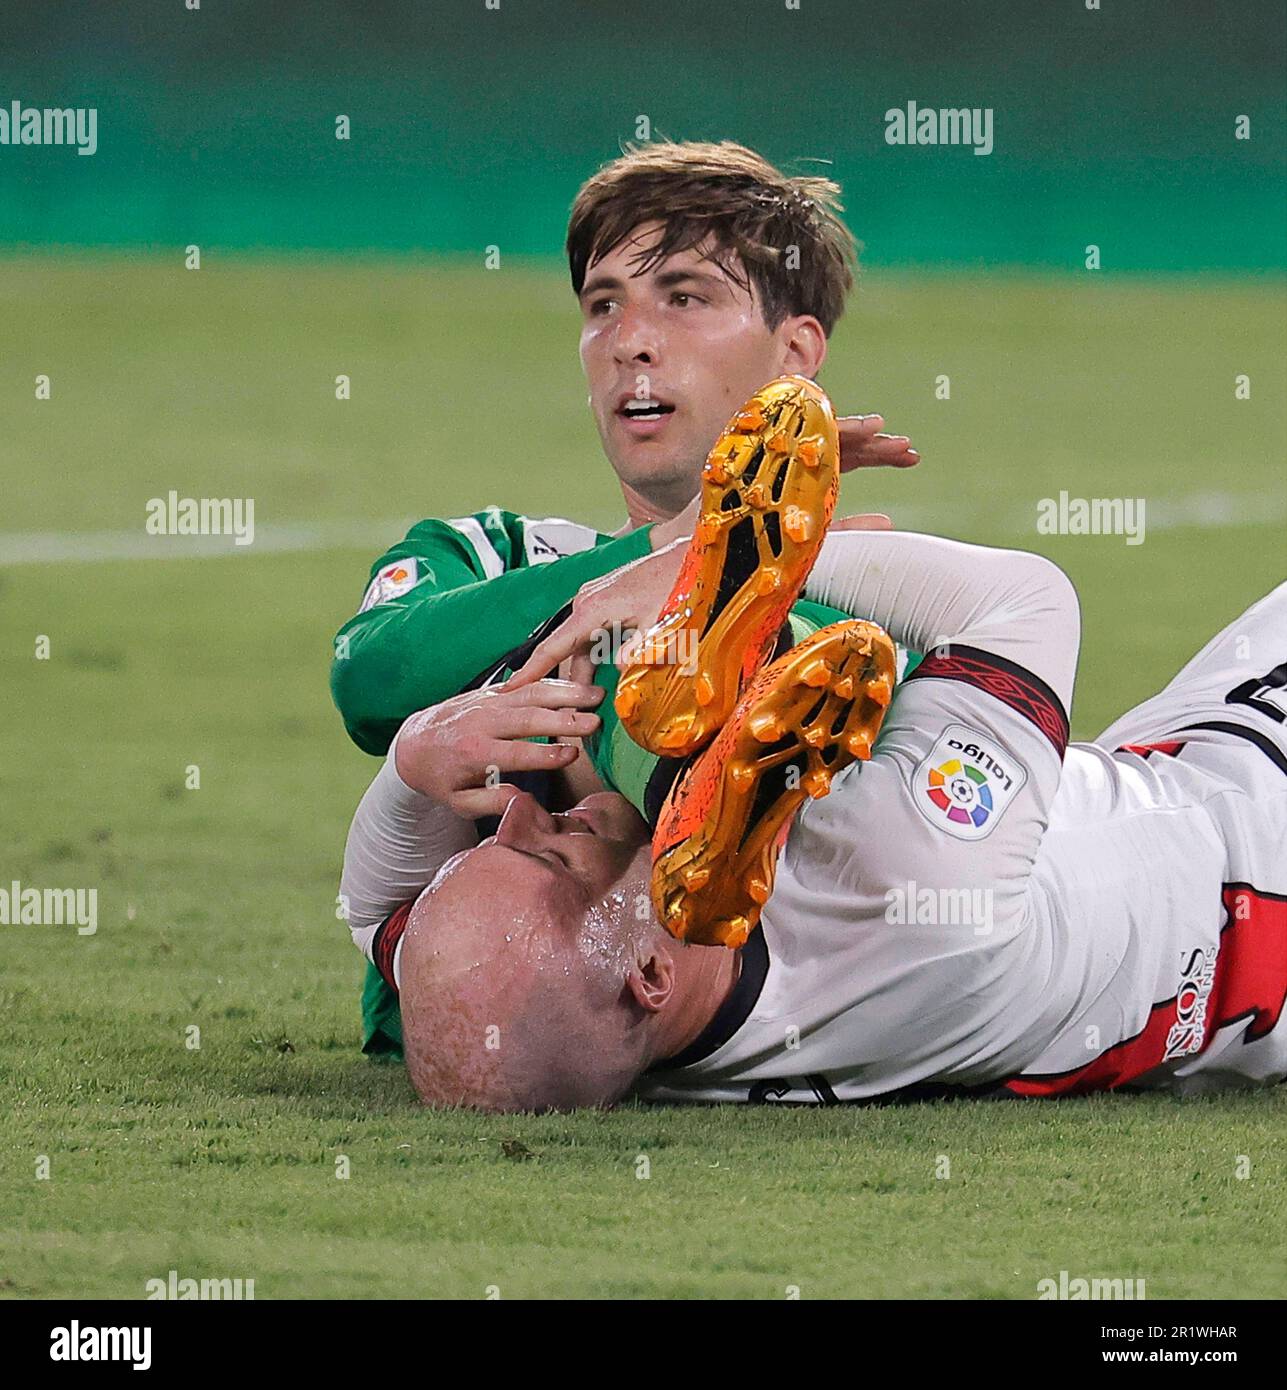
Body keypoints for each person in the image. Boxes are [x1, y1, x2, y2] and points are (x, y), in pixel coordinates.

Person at [341, 433, 1287, 1110]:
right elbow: (1026, 603)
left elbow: (375, 915)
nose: (517, 818)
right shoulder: (900, 879)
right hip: (1253, 832)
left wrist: (419, 759)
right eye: (547, 860)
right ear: (646, 974)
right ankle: (717, 700)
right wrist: (696, 560)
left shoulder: (589, 1025)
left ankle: (705, 740)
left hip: (1158, 789)